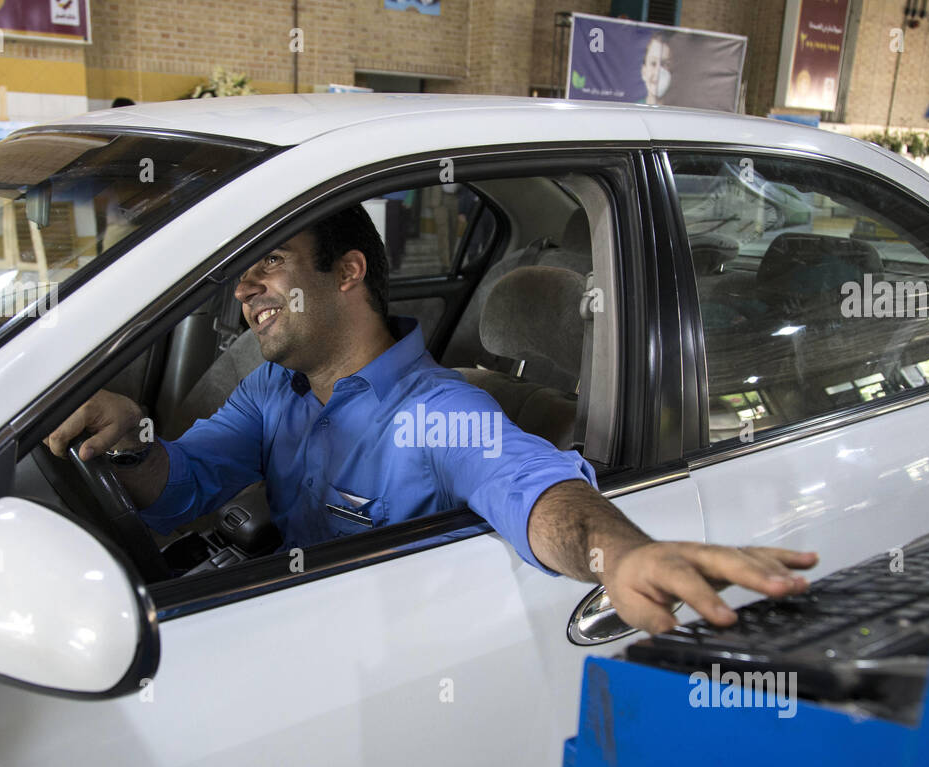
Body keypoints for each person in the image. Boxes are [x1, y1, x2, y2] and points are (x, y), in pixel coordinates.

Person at [45, 206, 818, 633]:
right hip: (293, 624)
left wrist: (618, 554)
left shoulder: (439, 412)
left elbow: (530, 485)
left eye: (268, 266)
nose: (247, 293)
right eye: (242, 282)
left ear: (347, 272)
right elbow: (183, 485)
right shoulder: (272, 392)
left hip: (392, 656)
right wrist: (129, 440)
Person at [639, 32, 673, 107]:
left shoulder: (677, 113)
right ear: (644, 71)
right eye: (653, 63)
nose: (658, 72)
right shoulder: (633, 109)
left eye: (664, 64)